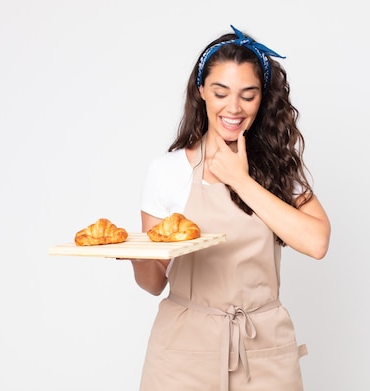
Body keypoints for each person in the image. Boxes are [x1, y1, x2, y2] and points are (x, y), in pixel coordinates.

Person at [131, 25, 331, 391]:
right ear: (201, 91)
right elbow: (153, 283)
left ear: (263, 99)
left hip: (262, 349)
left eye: (248, 95)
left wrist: (241, 179)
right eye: (221, 92)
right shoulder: (168, 171)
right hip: (183, 353)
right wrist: (136, 254)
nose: (233, 108)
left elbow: (316, 242)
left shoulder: (277, 167)